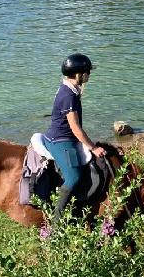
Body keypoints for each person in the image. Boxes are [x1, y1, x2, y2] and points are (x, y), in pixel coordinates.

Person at [43, 54, 106, 223]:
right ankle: (56, 223)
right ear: (79, 74)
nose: (89, 75)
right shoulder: (68, 95)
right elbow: (76, 128)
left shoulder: (70, 89)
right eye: (87, 72)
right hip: (61, 140)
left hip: (67, 138)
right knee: (73, 177)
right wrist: (93, 147)